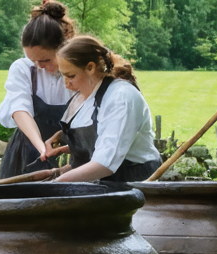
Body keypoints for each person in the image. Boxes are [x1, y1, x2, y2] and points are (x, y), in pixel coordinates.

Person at [43, 35, 161, 183]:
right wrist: (64, 143)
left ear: (90, 68)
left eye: (71, 76)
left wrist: (55, 185)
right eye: (63, 76)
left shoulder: (121, 97)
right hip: (99, 183)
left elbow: (105, 163)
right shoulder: (83, 98)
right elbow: (97, 140)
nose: (66, 84)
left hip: (132, 184)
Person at [0, 0, 76, 179]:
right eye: (34, 60)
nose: (39, 66)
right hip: (27, 152)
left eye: (45, 60)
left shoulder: (79, 73)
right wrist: (41, 147)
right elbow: (20, 109)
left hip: (70, 152)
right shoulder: (23, 69)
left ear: (63, 49)